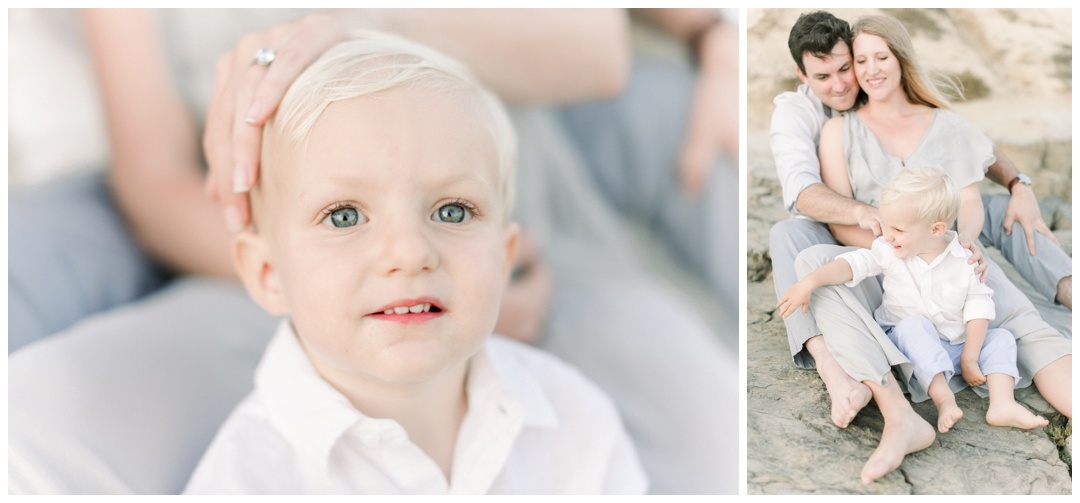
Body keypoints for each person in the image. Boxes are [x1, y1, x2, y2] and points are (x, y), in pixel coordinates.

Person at [9, 9, 735, 494]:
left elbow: (597, 53)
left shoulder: (579, 420)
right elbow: (155, 178)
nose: (406, 252)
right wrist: (315, 274)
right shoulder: (252, 458)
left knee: (717, 446)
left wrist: (354, 30)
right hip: (273, 261)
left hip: (535, 233)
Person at [182, 34, 645, 494]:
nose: (410, 252)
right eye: (344, 216)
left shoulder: (575, 422)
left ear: (503, 260)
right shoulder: (247, 479)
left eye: (453, 211)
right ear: (268, 275)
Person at [767, 10, 1072, 485]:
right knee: (810, 260)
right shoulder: (833, 129)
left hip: (950, 254)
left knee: (1019, 320)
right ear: (807, 76)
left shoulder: (943, 123)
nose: (866, 71)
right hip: (886, 263)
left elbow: (971, 193)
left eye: (876, 57)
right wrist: (894, 246)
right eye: (859, 60)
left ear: (900, 57)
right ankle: (887, 405)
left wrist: (974, 231)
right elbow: (829, 208)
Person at [780, 165, 1048, 436]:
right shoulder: (889, 250)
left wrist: (970, 355)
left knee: (1001, 338)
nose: (887, 234)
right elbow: (852, 265)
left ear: (936, 229)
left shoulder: (965, 258)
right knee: (914, 326)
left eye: (897, 228)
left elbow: (979, 307)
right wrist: (810, 281)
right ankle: (944, 400)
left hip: (954, 345)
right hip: (907, 346)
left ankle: (1002, 404)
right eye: (885, 224)